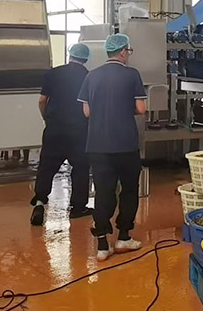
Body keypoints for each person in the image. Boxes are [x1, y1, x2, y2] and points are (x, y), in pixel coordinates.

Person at [78, 34, 147, 261]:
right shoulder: (132, 74)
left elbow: (87, 112)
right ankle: (123, 237)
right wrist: (124, 109)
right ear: (124, 51)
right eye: (129, 51)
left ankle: (102, 245)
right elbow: (141, 109)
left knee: (103, 191)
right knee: (129, 190)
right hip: (125, 144)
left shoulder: (91, 76)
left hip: (97, 145)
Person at [30, 43, 93, 226]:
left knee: (46, 167)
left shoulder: (53, 73)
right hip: (79, 131)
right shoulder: (89, 77)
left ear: (69, 54)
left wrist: (47, 119)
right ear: (86, 58)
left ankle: (39, 203)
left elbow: (42, 101)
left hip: (54, 129)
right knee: (81, 168)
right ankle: (78, 207)